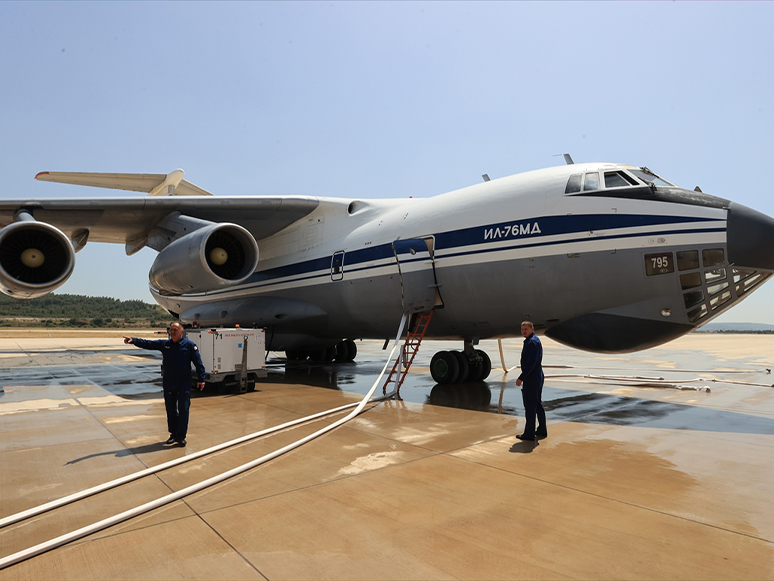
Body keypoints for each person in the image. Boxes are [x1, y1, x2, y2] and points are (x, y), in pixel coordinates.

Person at [124, 322, 205, 447]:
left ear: (182, 332)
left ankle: (181, 437)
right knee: (171, 410)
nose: (172, 332)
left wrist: (201, 379)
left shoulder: (189, 345)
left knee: (183, 409)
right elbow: (148, 344)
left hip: (183, 383)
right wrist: (133, 340)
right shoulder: (165, 344)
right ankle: (173, 434)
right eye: (171, 329)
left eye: (175, 329)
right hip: (169, 383)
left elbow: (198, 363)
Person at [516, 320, 547, 441]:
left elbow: (531, 363)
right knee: (537, 403)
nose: (524, 331)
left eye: (526, 329)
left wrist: (521, 377)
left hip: (531, 377)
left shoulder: (532, 343)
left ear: (532, 329)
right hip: (537, 375)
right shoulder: (533, 340)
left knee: (530, 405)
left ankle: (529, 433)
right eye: (522, 329)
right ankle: (542, 430)